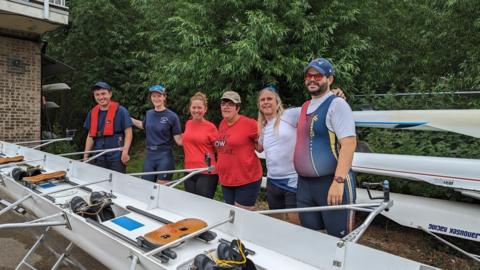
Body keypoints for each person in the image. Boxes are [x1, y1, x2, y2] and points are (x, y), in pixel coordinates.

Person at [293, 58, 357, 238]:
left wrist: (338, 181)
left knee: (340, 242)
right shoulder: (305, 106)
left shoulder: (337, 104)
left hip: (331, 183)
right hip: (305, 186)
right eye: (308, 75)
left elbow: (349, 143)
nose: (312, 79)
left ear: (329, 80)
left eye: (318, 75)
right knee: (311, 238)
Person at [256, 86, 300, 223]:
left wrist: (332, 95)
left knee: (295, 221)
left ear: (277, 102)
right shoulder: (262, 127)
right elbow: (259, 148)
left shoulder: (290, 115)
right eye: (262, 100)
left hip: (293, 179)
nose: (266, 102)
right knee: (276, 222)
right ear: (259, 105)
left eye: (269, 99)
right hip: (272, 181)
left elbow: (314, 108)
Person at [214, 91, 263, 210]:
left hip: (247, 178)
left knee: (241, 218)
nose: (226, 107)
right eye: (223, 103)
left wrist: (257, 144)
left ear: (237, 108)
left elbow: (262, 147)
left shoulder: (250, 124)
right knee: (230, 215)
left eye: (230, 104)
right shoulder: (222, 123)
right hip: (227, 179)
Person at [131, 85, 182, 184]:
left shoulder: (172, 116)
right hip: (150, 155)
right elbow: (143, 125)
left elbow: (179, 140)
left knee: (161, 191)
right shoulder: (149, 113)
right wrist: (129, 119)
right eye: (153, 96)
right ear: (150, 98)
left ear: (164, 97)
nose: (156, 98)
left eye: (159, 96)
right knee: (146, 187)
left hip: (164, 156)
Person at [83, 81, 133, 173]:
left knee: (117, 181)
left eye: (103, 93)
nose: (101, 97)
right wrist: (85, 155)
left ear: (110, 94)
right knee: (99, 182)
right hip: (99, 154)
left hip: (116, 154)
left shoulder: (121, 111)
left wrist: (125, 152)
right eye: (97, 94)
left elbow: (128, 133)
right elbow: (90, 135)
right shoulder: (92, 113)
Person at [182, 92, 219, 198]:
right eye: (194, 107)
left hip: (206, 172)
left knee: (202, 208)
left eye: (199, 108)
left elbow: (219, 150)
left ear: (205, 109)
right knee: (191, 206)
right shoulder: (188, 124)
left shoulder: (211, 127)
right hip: (188, 170)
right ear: (190, 108)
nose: (196, 110)